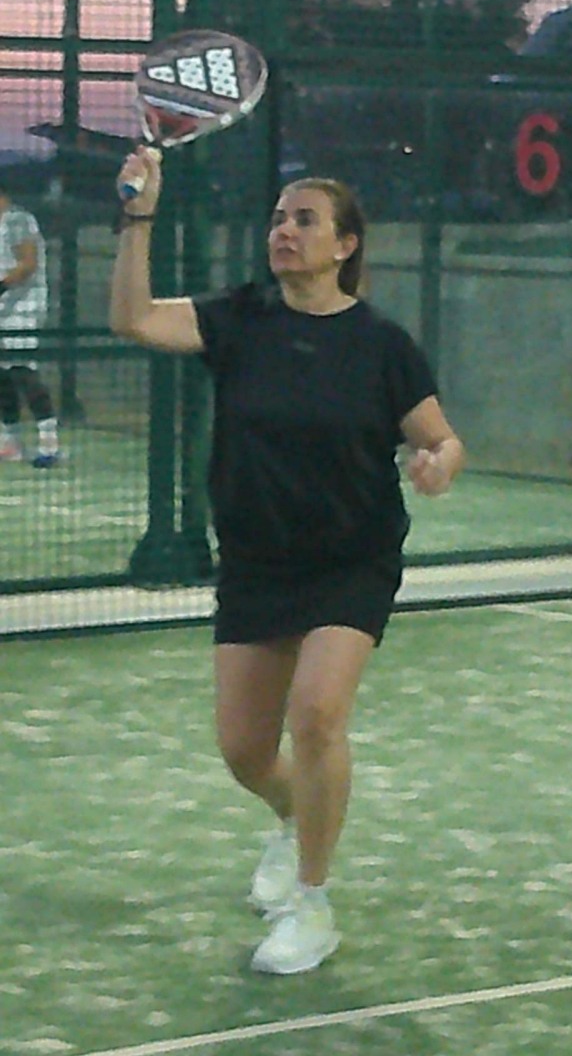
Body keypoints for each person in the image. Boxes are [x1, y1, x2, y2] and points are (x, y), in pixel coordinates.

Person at [110, 147, 465, 975]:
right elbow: (134, 319)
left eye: (305, 219)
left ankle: (311, 902)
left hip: (352, 558)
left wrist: (438, 464)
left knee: (317, 715)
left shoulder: (382, 344)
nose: (284, 231)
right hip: (257, 562)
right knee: (243, 749)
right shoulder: (239, 319)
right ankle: (291, 816)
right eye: (277, 218)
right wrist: (138, 215)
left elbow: (442, 438)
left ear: (346, 244)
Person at [0, 179, 60, 467]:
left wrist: (1, 286)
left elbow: (28, 263)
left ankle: (49, 442)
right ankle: (10, 442)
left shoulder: (18, 220)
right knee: (2, 375)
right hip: (2, 309)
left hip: (23, 308)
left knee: (23, 370)